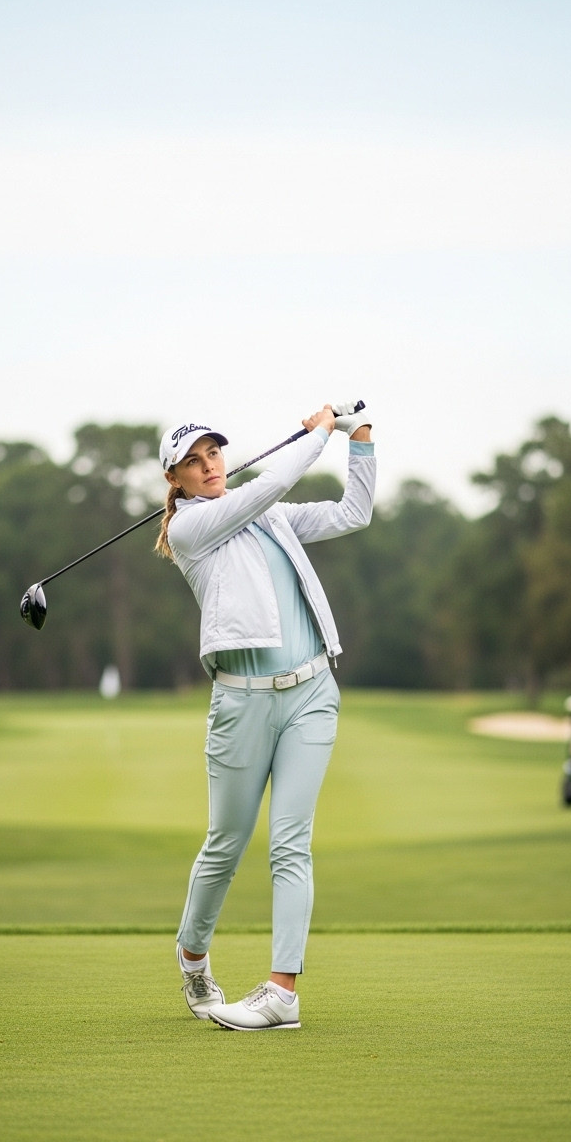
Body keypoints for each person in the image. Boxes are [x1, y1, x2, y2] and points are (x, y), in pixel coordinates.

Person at [155, 402, 376, 1030]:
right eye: (192, 463)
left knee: (290, 844)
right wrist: (317, 435)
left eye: (213, 454)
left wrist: (358, 440)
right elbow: (274, 482)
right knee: (225, 844)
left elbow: (353, 513)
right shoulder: (193, 531)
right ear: (176, 480)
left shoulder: (271, 518)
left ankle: (282, 993)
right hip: (242, 702)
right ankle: (193, 959)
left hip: (311, 693)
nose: (208, 467)